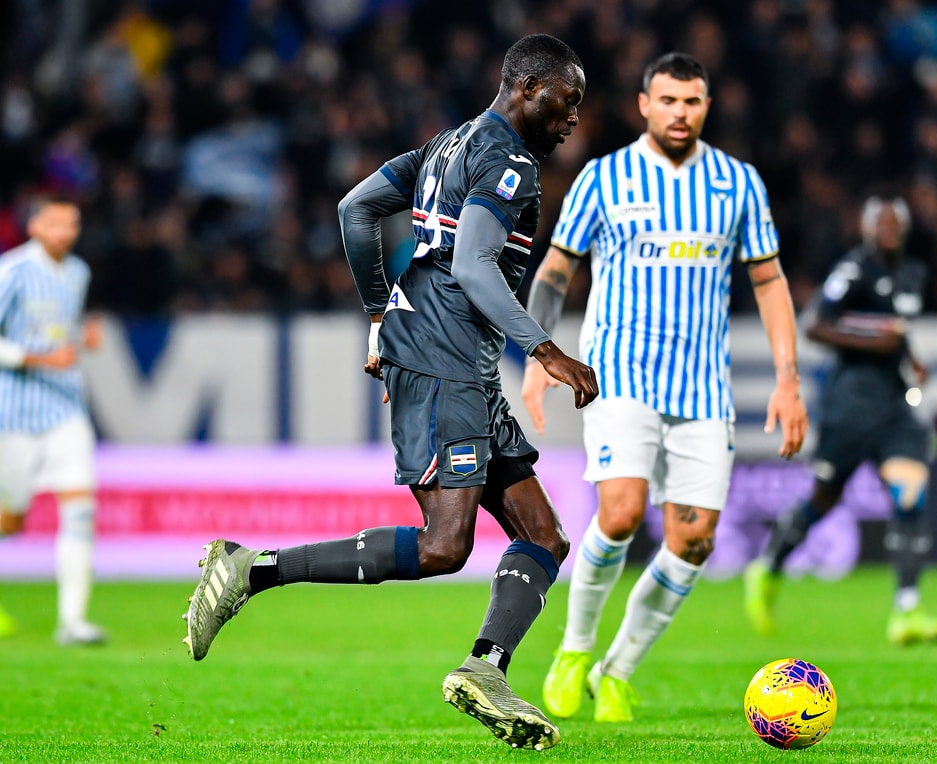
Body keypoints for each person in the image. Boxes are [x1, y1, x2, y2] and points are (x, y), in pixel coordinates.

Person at [183, 34, 597, 752]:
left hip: (457, 362)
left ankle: (485, 669)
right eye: (568, 101)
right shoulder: (508, 161)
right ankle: (250, 569)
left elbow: (355, 209)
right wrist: (545, 348)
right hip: (444, 363)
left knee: (544, 536)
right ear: (530, 87)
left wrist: (380, 313)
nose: (573, 118)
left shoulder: (445, 146)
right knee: (444, 546)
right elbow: (473, 265)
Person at [522, 52, 808, 724]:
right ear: (644, 105)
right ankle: (574, 648)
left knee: (695, 540)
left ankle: (615, 671)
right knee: (621, 513)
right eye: (669, 100)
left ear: (707, 107)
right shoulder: (604, 179)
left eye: (693, 101)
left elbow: (769, 282)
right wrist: (539, 352)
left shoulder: (737, 183)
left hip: (703, 388)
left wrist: (788, 380)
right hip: (620, 374)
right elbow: (557, 270)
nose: (681, 113)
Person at [743, 191, 937, 646]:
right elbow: (815, 324)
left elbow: (898, 331)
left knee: (911, 495)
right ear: (867, 228)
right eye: (882, 224)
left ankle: (907, 609)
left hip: (894, 407)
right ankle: (769, 566)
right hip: (849, 408)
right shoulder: (854, 270)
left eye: (895, 224)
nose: (889, 232)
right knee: (824, 498)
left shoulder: (914, 274)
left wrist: (911, 358)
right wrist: (876, 339)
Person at [0, 196, 106, 646]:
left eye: (72, 224)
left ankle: (73, 622)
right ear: (35, 226)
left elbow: (59, 333)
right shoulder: (12, 271)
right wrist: (39, 359)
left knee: (80, 510)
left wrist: (82, 338)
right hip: (14, 415)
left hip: (65, 410)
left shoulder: (77, 272)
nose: (65, 232)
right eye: (55, 223)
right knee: (10, 521)